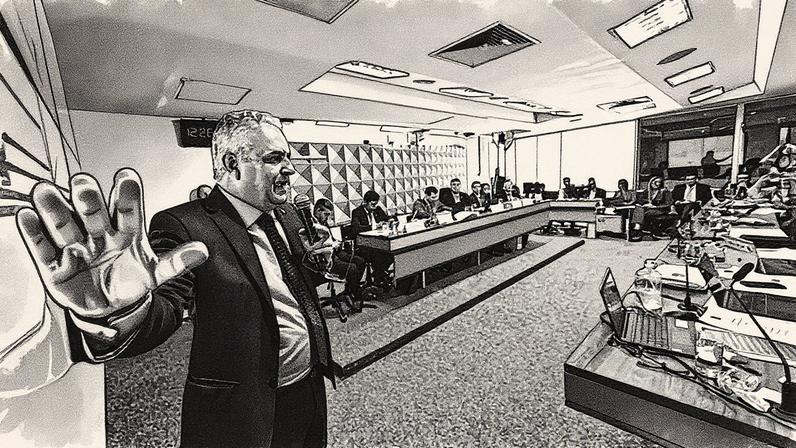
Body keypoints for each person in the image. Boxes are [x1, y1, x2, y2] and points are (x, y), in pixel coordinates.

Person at [16, 110, 335, 447]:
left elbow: (286, 288)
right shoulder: (184, 224)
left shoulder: (283, 214)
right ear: (231, 164)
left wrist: (316, 265)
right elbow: (167, 307)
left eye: (287, 158)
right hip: (243, 411)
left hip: (308, 388)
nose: (290, 169)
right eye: (274, 158)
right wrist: (120, 313)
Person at [313, 198, 366, 311]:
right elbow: (316, 246)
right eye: (326, 214)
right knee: (352, 268)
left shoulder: (322, 223)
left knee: (360, 261)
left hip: (335, 252)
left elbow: (328, 239)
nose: (327, 218)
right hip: (326, 258)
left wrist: (336, 242)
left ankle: (350, 289)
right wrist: (333, 245)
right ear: (317, 211)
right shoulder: (313, 226)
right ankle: (355, 295)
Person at [350, 191, 392, 287]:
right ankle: (379, 276)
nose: (374, 207)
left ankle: (379, 276)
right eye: (372, 204)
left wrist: (390, 220)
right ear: (365, 202)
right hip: (363, 246)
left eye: (376, 204)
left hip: (378, 243)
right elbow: (356, 228)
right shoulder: (357, 212)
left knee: (390, 254)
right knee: (379, 256)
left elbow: (386, 218)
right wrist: (373, 226)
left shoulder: (378, 209)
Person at [629, 176, 677, 241]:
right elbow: (641, 200)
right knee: (638, 208)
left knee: (642, 212)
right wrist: (643, 204)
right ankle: (637, 227)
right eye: (655, 182)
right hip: (649, 209)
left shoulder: (664, 191)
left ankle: (637, 229)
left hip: (661, 209)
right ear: (651, 183)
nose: (657, 184)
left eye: (659, 182)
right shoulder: (648, 191)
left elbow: (668, 204)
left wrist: (654, 206)